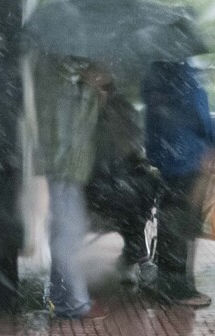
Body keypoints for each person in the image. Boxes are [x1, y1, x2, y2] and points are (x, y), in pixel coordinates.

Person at [142, 60, 215, 307]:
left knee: (170, 222)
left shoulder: (153, 76)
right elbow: (204, 118)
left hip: (165, 159)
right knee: (183, 226)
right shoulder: (186, 77)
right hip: (188, 161)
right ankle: (178, 289)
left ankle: (166, 281)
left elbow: (153, 120)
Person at [32, 53, 110, 319]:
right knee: (69, 234)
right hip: (65, 171)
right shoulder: (67, 88)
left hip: (68, 171)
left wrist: (94, 100)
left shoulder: (76, 89)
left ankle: (60, 296)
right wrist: (90, 96)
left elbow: (77, 130)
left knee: (63, 232)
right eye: (101, 71)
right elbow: (68, 135)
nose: (106, 76)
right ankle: (77, 303)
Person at [85, 91, 162, 286]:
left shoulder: (130, 143)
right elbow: (97, 171)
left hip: (123, 190)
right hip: (103, 190)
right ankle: (139, 258)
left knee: (141, 193)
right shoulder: (96, 134)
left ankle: (135, 257)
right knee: (130, 202)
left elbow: (139, 161)